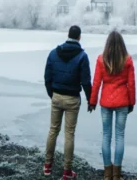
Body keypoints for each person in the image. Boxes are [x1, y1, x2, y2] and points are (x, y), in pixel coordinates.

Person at [43, 25, 92, 179]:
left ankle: (47, 167)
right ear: (79, 37)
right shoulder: (82, 56)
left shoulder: (53, 53)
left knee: (53, 130)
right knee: (69, 134)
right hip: (72, 99)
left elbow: (47, 78)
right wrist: (90, 99)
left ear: (68, 35)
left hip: (57, 96)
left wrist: (53, 94)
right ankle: (66, 172)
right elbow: (85, 82)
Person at [89, 30, 136, 180]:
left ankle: (107, 174)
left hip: (106, 103)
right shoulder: (127, 60)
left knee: (106, 136)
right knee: (119, 136)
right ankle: (116, 175)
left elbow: (96, 83)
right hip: (122, 102)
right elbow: (131, 84)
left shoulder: (101, 60)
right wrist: (132, 102)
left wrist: (92, 101)